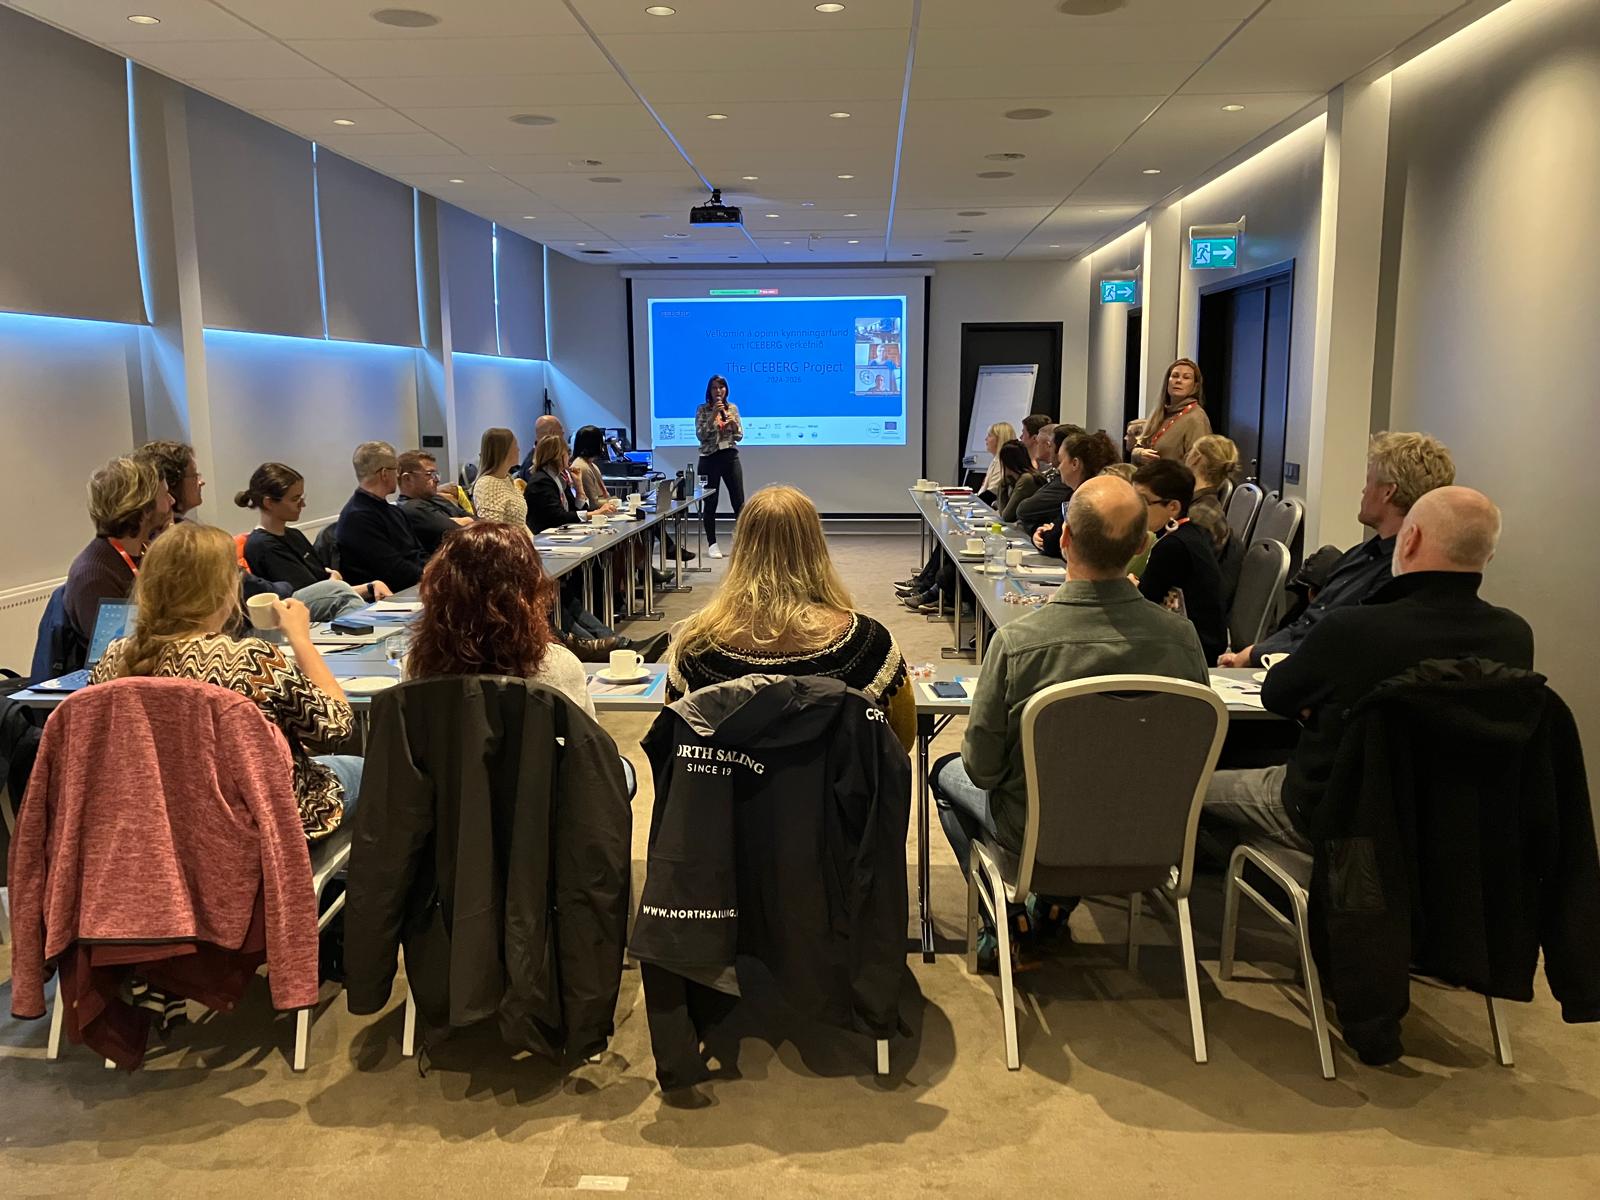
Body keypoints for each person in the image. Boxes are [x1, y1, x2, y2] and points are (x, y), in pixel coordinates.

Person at [932, 476, 1210, 967]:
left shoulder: (1020, 644)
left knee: (947, 772)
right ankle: (1055, 905)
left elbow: (983, 770)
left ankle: (1005, 916)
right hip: (1149, 835)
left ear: (1063, 537)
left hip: (1041, 838)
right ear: (1143, 546)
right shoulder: (1183, 639)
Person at [1204, 486, 1533, 855]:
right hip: (1453, 832)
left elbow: (1276, 694)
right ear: (1488, 555)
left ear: (1410, 540)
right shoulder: (1514, 638)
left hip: (1328, 811)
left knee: (1187, 788)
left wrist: (1321, 706)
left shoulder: (1354, 630)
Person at [90, 522, 362, 840]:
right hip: (258, 826)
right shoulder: (249, 659)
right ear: (224, 589)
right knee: (364, 767)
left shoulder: (114, 659)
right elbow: (337, 729)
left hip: (159, 829)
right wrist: (301, 639)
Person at [667, 485, 915, 751]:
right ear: (815, 546)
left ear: (741, 547)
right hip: (837, 793)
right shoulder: (869, 645)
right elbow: (902, 740)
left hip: (724, 791)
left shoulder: (697, 645)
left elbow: (674, 737)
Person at [1219, 431, 1456, 667]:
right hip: (1281, 666)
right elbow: (1306, 625)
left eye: (1368, 481)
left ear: (1387, 492)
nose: (1363, 491)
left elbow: (1338, 645)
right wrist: (1255, 652)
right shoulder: (1361, 554)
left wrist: (1254, 656)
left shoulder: (1400, 575)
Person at [404, 521, 596, 719]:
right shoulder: (559, 666)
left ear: (438, 591)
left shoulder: (416, 666)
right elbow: (586, 746)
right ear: (529, 592)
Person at [237, 463, 390, 608]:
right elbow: (315, 595)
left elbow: (328, 586)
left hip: (333, 602)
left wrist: (370, 587)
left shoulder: (294, 535)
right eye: (295, 499)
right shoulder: (262, 545)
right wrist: (333, 583)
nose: (302, 505)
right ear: (269, 503)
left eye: (302, 498)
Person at [63, 456, 171, 646]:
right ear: (144, 509)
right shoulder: (94, 576)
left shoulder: (145, 554)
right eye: (165, 495)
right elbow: (117, 656)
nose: (172, 501)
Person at [1132, 459, 1229, 665]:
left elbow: (1141, 604)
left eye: (1143, 501)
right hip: (1200, 641)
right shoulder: (1190, 533)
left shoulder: (1172, 547)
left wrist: (1130, 588)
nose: (1135, 509)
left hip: (1193, 652)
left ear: (1173, 507)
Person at [336, 441, 426, 592]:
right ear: (384, 473)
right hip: (390, 595)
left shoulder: (393, 511)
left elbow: (419, 552)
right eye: (395, 469)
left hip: (415, 584)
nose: (397, 475)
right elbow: (394, 570)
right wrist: (432, 577)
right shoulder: (357, 518)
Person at [1030, 430, 1121, 559]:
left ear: (1075, 464)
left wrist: (1046, 534)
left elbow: (1052, 543)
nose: (1058, 468)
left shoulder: (1084, 499)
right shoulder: (1074, 495)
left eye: (1061, 461)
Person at [696, 374, 745, 559]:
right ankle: (712, 544)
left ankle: (743, 543)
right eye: (715, 388)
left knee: (738, 501)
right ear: (709, 391)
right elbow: (701, 435)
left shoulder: (732, 408)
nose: (718, 391)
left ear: (726, 390)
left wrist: (733, 425)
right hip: (709, 459)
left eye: (721, 387)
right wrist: (713, 417)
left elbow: (739, 436)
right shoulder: (702, 409)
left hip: (730, 456)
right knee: (711, 503)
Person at [1131, 359, 1212, 465]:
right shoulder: (1160, 413)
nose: (1178, 381)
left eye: (1186, 377)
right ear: (1167, 381)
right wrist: (1138, 454)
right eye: (1175, 376)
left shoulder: (1196, 418)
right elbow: (1139, 444)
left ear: (1195, 386)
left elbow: (1199, 464)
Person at [396, 450, 472, 556]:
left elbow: (473, 519)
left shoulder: (436, 498)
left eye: (436, 474)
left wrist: (464, 520)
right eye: (429, 474)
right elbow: (458, 531)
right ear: (408, 478)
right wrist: (463, 520)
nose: (436, 480)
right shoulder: (411, 508)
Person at [1184, 434, 1240, 556]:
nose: (1186, 456)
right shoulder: (1205, 506)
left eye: (1190, 451)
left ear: (1196, 458)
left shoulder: (1199, 514)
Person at [472, 427, 530, 528]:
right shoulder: (487, 485)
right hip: (507, 542)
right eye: (515, 445)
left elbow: (521, 525)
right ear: (504, 450)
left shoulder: (507, 479)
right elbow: (492, 529)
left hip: (519, 540)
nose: (518, 449)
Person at [995, 439, 1044, 524]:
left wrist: (1002, 484)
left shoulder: (1026, 480)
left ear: (1006, 462)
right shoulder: (1021, 478)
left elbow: (1006, 516)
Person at [977, 421, 1017, 497]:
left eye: (989, 435)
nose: (986, 439)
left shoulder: (1003, 463)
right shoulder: (996, 460)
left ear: (999, 439)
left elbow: (992, 493)